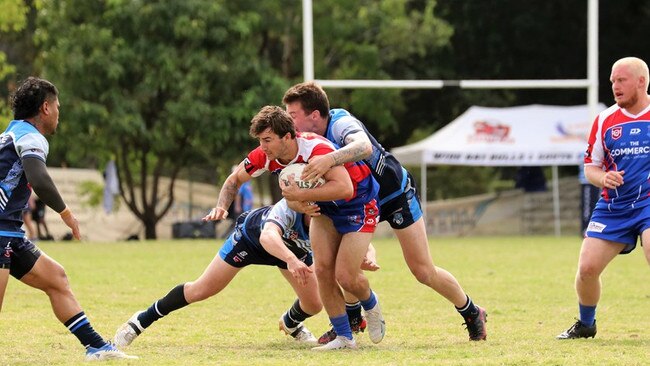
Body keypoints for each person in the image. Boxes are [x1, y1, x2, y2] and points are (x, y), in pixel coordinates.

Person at [283, 82, 487, 342]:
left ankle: (471, 312)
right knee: (335, 264)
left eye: (293, 116)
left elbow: (363, 146)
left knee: (422, 270)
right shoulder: (303, 141)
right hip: (357, 203)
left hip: (394, 195)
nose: (290, 124)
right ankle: (350, 321)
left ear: (314, 115)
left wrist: (330, 159)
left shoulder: (339, 123)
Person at [202, 106, 384, 350]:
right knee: (322, 271)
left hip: (358, 203)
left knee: (346, 276)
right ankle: (344, 338)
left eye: (267, 140)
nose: (262, 146)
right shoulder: (265, 155)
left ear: (287, 137)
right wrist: (222, 206)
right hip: (325, 208)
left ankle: (371, 305)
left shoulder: (316, 150)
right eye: (260, 140)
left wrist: (302, 194)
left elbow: (345, 189)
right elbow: (235, 179)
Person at [0, 77, 134, 361]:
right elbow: (39, 178)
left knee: (56, 278)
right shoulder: (31, 137)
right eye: (58, 107)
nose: (60, 113)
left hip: (10, 233)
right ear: (46, 108)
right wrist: (67, 214)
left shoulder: (12, 134)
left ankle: (97, 347)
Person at [557, 57, 650, 339]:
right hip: (614, 206)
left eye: (621, 80)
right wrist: (603, 178)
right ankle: (586, 325)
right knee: (587, 269)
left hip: (648, 202)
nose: (615, 86)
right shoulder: (604, 120)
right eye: (612, 81)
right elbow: (591, 167)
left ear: (641, 81)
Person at [221, 172, 255, 238]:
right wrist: (237, 206)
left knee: (240, 223)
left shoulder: (249, 183)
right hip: (242, 208)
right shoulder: (243, 182)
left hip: (247, 208)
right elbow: (238, 195)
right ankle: (227, 236)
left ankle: (229, 236)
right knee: (238, 224)